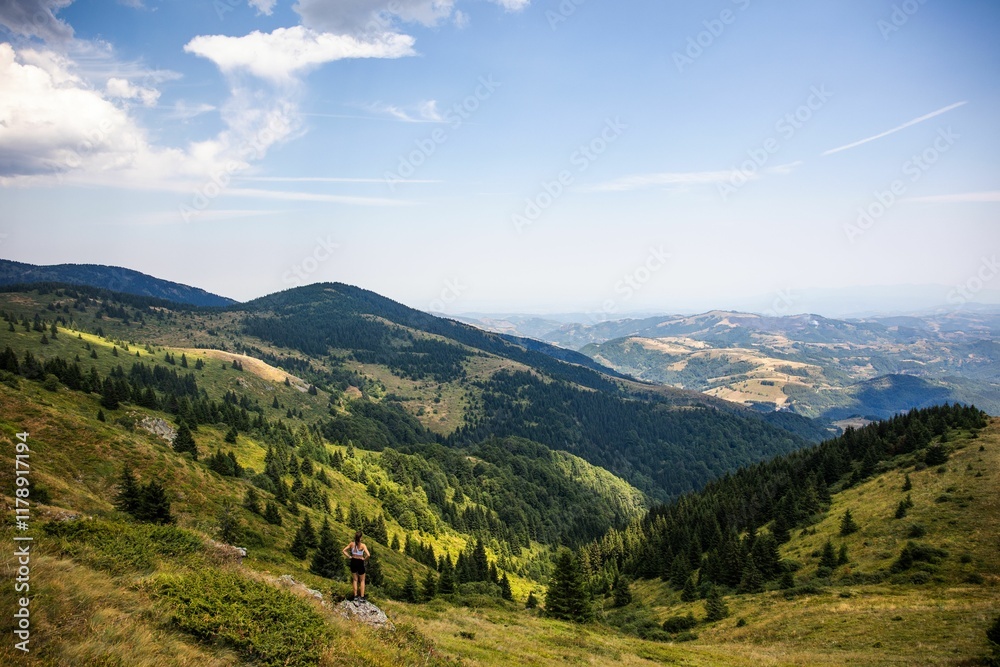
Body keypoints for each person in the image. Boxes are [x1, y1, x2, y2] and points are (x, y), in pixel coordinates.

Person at [342, 531, 370, 601]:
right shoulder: (363, 545)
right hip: (360, 562)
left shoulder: (352, 544)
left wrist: (349, 556)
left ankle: (355, 596)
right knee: (362, 580)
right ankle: (362, 597)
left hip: (353, 561)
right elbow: (368, 555)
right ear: (360, 538)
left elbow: (344, 550)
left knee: (355, 580)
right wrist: (364, 559)